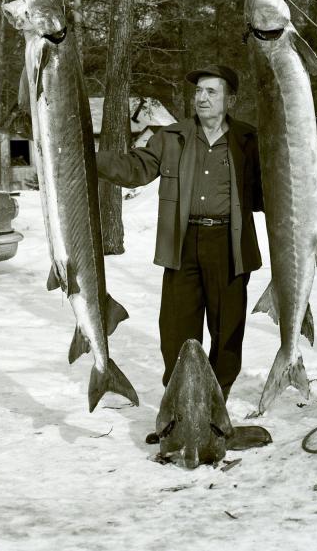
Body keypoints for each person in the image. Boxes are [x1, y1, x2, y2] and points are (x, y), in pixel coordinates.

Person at [96, 64, 263, 417]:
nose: (201, 98)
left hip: (230, 246)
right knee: (176, 332)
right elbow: (134, 169)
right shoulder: (172, 137)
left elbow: (270, 195)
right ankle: (178, 412)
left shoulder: (249, 141)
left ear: (230, 99)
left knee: (227, 332)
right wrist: (91, 159)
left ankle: (215, 410)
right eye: (198, 91)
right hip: (182, 244)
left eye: (211, 92)